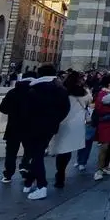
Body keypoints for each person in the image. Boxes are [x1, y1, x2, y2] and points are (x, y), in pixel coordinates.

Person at [22, 66, 71, 200]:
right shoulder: (60, 88)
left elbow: (26, 110)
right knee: (38, 152)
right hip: (51, 126)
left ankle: (41, 186)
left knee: (36, 154)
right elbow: (66, 108)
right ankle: (28, 182)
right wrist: (55, 120)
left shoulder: (35, 89)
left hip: (34, 126)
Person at [50, 70, 92, 188]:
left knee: (62, 149)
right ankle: (61, 173)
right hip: (75, 122)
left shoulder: (62, 90)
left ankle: (60, 173)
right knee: (67, 150)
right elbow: (89, 100)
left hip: (62, 120)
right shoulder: (82, 92)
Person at [0, 70, 37, 183]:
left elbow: (3, 109)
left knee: (11, 152)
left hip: (13, 126)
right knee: (29, 150)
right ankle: (25, 166)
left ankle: (8, 175)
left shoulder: (13, 92)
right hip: (31, 127)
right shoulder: (36, 92)